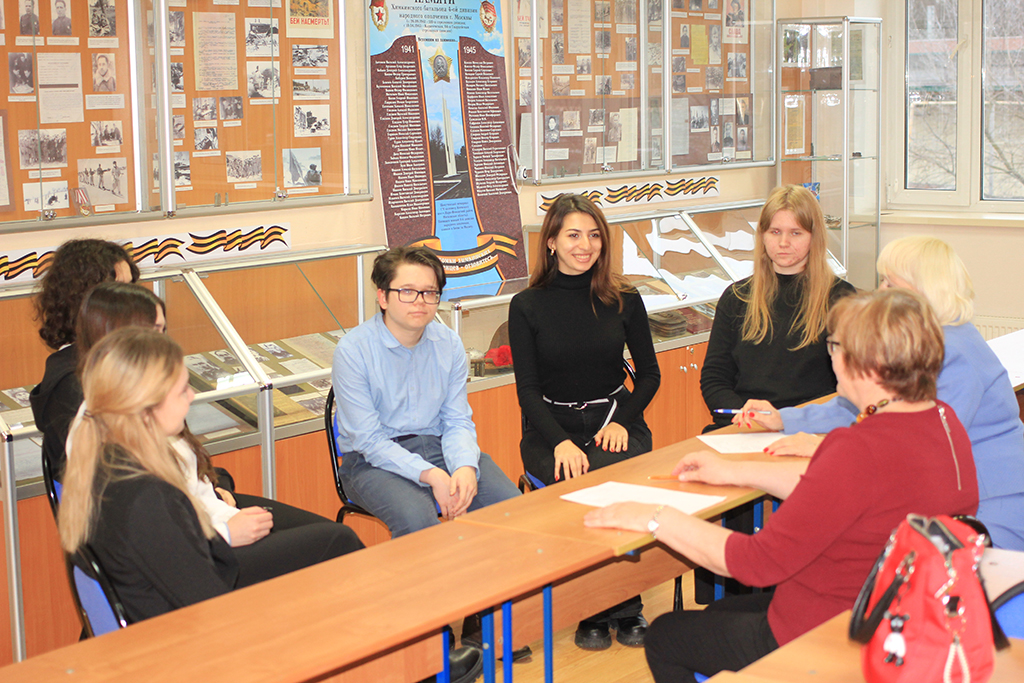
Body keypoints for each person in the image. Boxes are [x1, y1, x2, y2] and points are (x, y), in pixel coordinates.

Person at [585, 288, 979, 683]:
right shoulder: (943, 421)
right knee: (718, 614)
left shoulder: (858, 449)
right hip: (895, 610)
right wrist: (734, 471)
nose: (831, 357)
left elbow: (753, 564)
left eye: (835, 346)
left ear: (868, 363)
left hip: (831, 631)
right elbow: (836, 490)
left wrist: (655, 517)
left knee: (666, 636)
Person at [67, 282, 364, 588]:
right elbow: (188, 569)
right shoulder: (141, 488)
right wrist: (226, 532)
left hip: (210, 523)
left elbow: (189, 491)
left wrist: (219, 495)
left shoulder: (120, 426)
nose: (191, 396)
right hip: (211, 551)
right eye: (153, 330)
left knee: (327, 536)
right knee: (337, 541)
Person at [737, 236, 1024, 551]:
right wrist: (785, 419)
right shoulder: (934, 338)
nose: (879, 292)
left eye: (890, 283)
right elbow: (861, 403)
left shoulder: (950, 353)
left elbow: (918, 446)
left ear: (924, 292)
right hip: (962, 501)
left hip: (991, 511)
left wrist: (822, 447)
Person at [332, 246, 522, 676]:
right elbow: (368, 439)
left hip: (439, 446)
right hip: (371, 461)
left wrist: (464, 467)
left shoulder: (447, 341)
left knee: (509, 507)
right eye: (408, 291)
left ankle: (482, 622)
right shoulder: (354, 350)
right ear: (382, 296)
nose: (420, 302)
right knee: (417, 521)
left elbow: (456, 420)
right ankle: (431, 644)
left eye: (430, 293)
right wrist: (431, 475)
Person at [508, 193, 661, 650]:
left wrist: (622, 422)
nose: (586, 245)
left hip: (615, 417)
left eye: (595, 236)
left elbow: (650, 376)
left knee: (611, 477)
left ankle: (625, 602)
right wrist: (559, 441)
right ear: (551, 242)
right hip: (551, 427)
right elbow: (527, 390)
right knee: (577, 482)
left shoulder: (624, 298)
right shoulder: (527, 305)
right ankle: (591, 606)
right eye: (573, 235)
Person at [700, 185, 855, 430]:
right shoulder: (736, 297)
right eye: (775, 232)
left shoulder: (842, 299)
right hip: (745, 425)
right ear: (762, 235)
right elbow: (714, 378)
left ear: (814, 236)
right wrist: (748, 417)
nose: (783, 242)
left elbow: (853, 384)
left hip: (809, 426)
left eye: (796, 233)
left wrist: (786, 421)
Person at [29, 239, 138, 482]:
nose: (134, 302)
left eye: (132, 288)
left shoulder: (115, 361)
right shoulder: (72, 384)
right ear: (82, 301)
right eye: (118, 292)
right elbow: (113, 481)